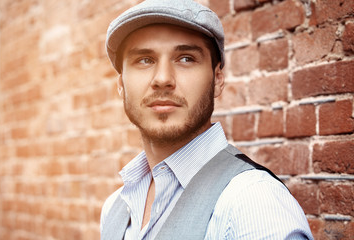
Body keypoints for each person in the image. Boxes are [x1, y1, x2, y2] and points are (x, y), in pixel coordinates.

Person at [100, 0, 314, 239]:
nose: (162, 79)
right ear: (121, 85)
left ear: (218, 79)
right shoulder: (114, 208)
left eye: (186, 58)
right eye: (144, 60)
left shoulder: (252, 203)